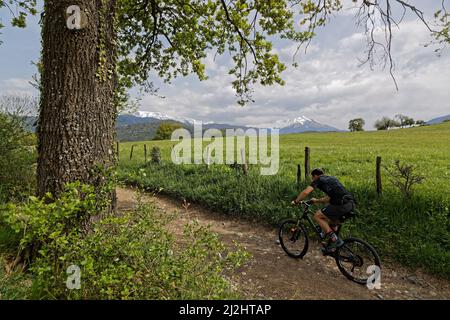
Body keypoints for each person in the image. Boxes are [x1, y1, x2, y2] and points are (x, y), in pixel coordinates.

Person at [291, 168, 355, 251]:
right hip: (351, 205)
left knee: (317, 216)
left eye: (312, 178)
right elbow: (328, 198)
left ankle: (335, 240)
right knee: (332, 223)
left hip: (341, 205)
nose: (312, 180)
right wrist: (316, 201)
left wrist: (296, 201)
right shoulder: (332, 179)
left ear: (315, 176)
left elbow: (306, 192)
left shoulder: (319, 179)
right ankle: (331, 247)